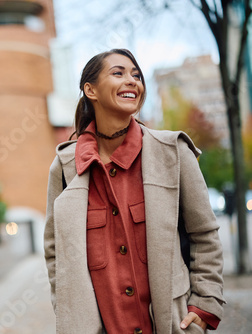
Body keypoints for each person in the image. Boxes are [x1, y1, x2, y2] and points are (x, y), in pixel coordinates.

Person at [44, 49, 225, 333]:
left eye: (136, 75)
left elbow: (204, 234)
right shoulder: (66, 167)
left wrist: (204, 304)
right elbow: (55, 251)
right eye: (118, 73)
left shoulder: (174, 153)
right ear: (90, 89)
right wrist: (68, 308)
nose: (132, 81)